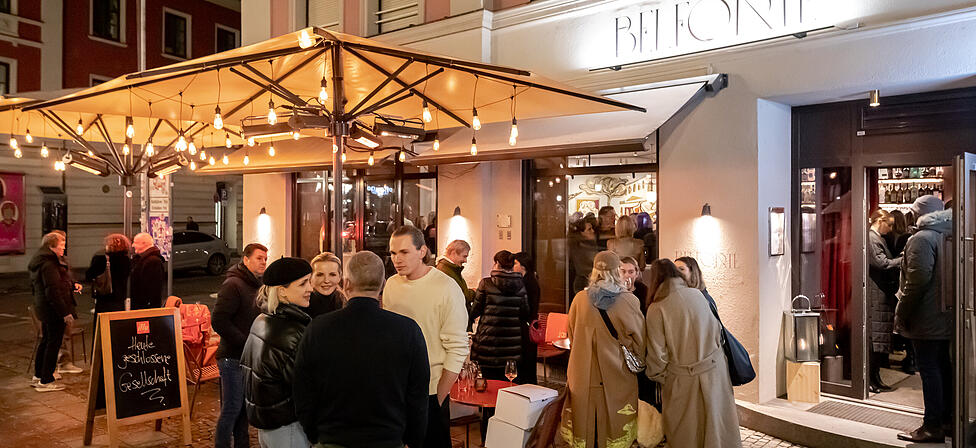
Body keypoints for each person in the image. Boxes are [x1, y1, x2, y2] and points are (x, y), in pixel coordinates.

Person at [294, 251, 429, 448]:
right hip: (388, 439)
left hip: (333, 438)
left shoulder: (318, 328)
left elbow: (303, 391)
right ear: (382, 285)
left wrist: (315, 434)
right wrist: (413, 440)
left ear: (346, 283)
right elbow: (418, 397)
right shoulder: (408, 330)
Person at [383, 225, 468, 448]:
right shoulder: (391, 285)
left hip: (430, 390)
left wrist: (437, 398)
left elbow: (458, 348)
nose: (397, 259)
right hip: (395, 388)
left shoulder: (446, 287)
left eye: (404, 252)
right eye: (393, 253)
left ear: (422, 252)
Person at [644, 259, 741, 447]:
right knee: (716, 427)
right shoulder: (697, 295)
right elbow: (716, 330)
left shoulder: (657, 308)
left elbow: (658, 354)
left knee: (686, 432)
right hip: (715, 371)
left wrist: (657, 375)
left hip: (682, 379)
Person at [558, 251, 645, 448]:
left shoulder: (580, 299)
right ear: (617, 272)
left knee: (585, 424)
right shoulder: (628, 301)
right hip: (616, 374)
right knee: (615, 425)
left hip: (582, 374)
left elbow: (571, 333)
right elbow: (640, 340)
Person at [896, 195, 953, 443]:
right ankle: (948, 420)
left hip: (927, 316)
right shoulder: (949, 235)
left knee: (929, 369)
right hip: (946, 315)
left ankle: (932, 426)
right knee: (943, 368)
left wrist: (902, 312)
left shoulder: (921, 239)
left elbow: (917, 281)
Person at [241, 257, 314, 447]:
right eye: (303, 283)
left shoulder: (262, 319)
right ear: (282, 291)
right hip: (288, 428)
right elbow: (306, 387)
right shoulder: (291, 331)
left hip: (268, 427)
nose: (310, 289)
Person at [213, 242, 268, 448]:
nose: (263, 262)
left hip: (247, 358)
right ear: (246, 260)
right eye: (258, 258)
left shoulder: (256, 284)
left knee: (243, 409)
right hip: (232, 358)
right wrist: (245, 342)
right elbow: (218, 320)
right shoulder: (233, 285)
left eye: (265, 258)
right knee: (232, 408)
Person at [470, 250, 529, 376]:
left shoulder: (486, 283)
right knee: (508, 385)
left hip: (488, 342)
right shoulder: (521, 285)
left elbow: (475, 311)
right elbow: (525, 313)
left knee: (488, 382)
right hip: (511, 345)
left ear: (496, 263)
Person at [29, 232, 75, 391]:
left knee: (46, 340)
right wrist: (64, 312)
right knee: (52, 343)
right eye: (61, 245)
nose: (63, 248)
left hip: (44, 307)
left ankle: (38, 375)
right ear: (52, 246)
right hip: (53, 309)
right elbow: (53, 290)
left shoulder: (40, 260)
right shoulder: (49, 264)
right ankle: (46, 380)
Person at [866, 210, 901, 393]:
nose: (891, 228)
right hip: (877, 293)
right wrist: (902, 260)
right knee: (874, 341)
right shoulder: (873, 239)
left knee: (878, 341)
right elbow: (882, 263)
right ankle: (871, 379)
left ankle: (875, 378)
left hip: (880, 292)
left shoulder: (876, 238)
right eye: (889, 224)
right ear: (881, 221)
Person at [85, 233, 132, 316]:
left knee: (102, 324)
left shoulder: (101, 258)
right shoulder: (126, 260)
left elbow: (89, 275)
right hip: (120, 298)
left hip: (105, 297)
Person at [514, 252, 540, 384]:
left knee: (526, 361)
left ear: (523, 266)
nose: (513, 266)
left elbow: (528, 307)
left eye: (515, 263)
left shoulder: (528, 282)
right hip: (527, 325)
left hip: (527, 326)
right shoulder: (527, 279)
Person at [435, 239, 475, 311]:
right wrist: (474, 293)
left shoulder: (450, 269)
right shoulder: (445, 271)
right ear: (453, 253)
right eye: (464, 256)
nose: (466, 260)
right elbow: (460, 296)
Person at [130, 233, 165, 310]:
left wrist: (148, 307)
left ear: (144, 244)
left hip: (144, 308)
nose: (132, 245)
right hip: (141, 306)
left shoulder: (153, 261)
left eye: (135, 242)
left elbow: (153, 289)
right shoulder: (142, 259)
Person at [306, 252, 345, 318]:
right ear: (310, 277)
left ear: (340, 277)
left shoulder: (347, 304)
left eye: (332, 274)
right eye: (320, 275)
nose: (326, 280)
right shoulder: (301, 305)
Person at [568, 216, 599, 296]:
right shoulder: (582, 249)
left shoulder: (590, 246)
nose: (592, 231)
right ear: (582, 233)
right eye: (589, 229)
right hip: (584, 283)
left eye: (592, 228)